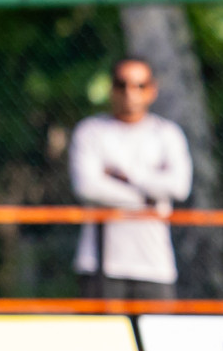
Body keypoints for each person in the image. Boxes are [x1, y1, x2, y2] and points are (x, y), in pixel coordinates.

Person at [70, 57, 192, 299]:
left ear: (152, 90)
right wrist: (148, 199)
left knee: (156, 337)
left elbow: (179, 187)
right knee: (103, 338)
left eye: (139, 85)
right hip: (100, 264)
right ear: (111, 89)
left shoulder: (167, 134)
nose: (130, 93)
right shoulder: (91, 132)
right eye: (121, 84)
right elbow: (88, 187)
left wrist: (127, 176)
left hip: (155, 267)